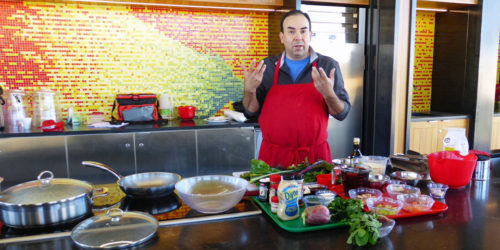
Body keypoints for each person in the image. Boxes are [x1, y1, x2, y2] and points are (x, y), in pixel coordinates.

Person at [242, 10, 350, 168]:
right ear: (282, 37)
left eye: (303, 31)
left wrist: (329, 94)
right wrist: (249, 90)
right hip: (273, 159)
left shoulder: (327, 66)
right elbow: (249, 111)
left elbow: (342, 113)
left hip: (315, 159)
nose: (298, 37)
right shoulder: (266, 68)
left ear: (310, 35)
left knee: (315, 194)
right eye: (291, 31)